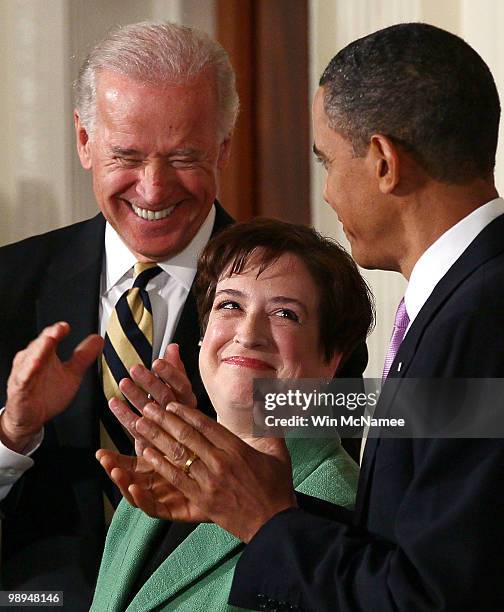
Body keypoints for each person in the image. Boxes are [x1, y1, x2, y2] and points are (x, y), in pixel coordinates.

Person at [109, 23, 504, 611]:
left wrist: (267, 521)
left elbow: (436, 598)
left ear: (383, 161)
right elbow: (433, 521)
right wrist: (235, 484)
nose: (327, 194)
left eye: (327, 161)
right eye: (229, 304)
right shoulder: (467, 295)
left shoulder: (480, 313)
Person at [0, 21, 237, 609]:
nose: (153, 191)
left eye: (184, 157)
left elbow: (330, 478)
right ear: (84, 141)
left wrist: (205, 441)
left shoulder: (299, 294)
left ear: (223, 148)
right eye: (126, 157)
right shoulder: (8, 284)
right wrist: (15, 433)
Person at [91, 218, 373, 611]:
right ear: (203, 336)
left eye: (285, 314)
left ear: (331, 360)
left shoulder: (337, 506)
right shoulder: (158, 471)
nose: (248, 332)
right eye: (230, 305)